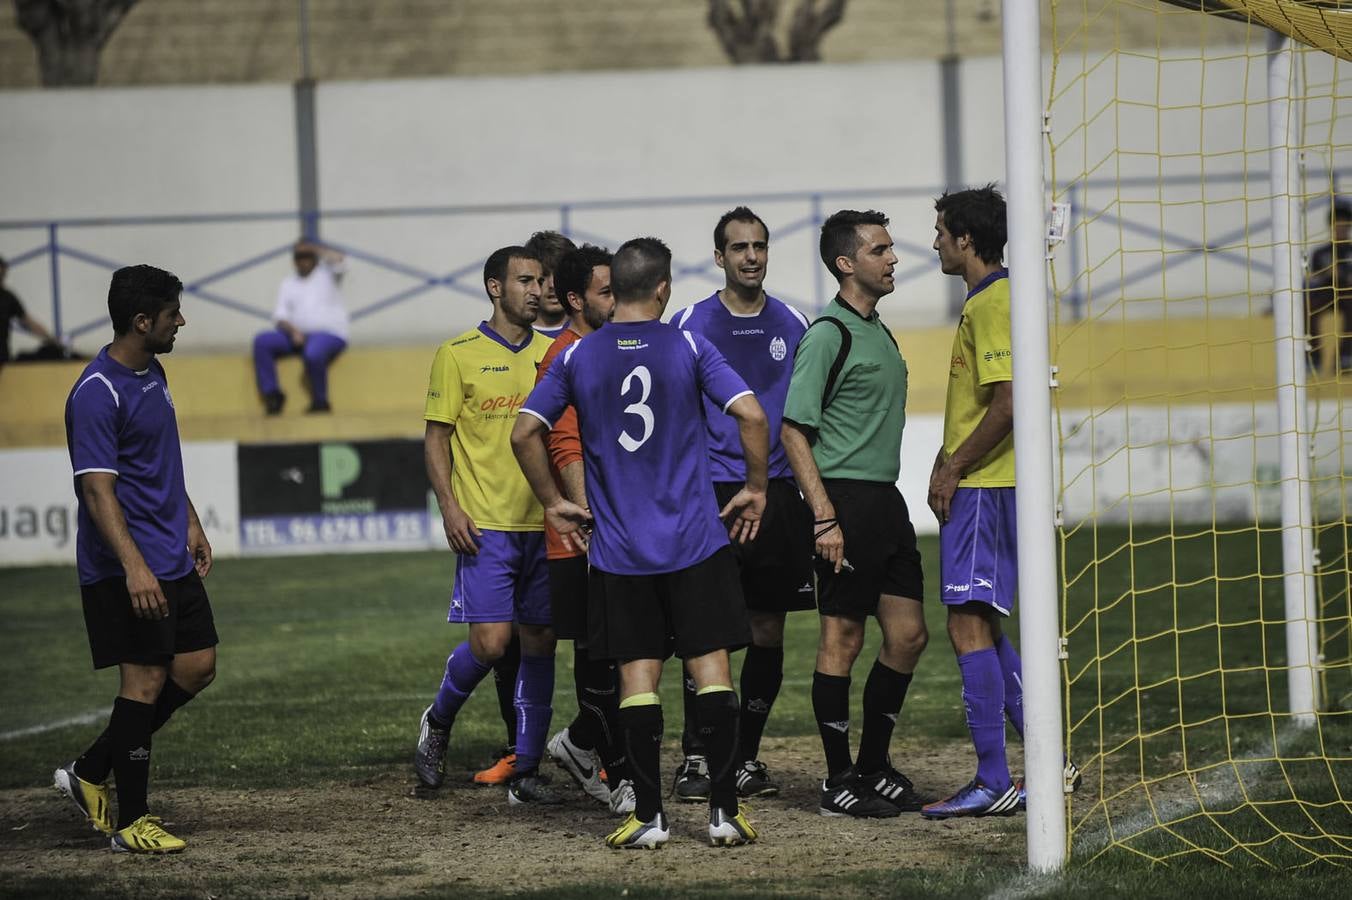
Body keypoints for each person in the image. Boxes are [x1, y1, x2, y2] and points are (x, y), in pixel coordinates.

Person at [512, 236, 769, 848]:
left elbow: (526, 433)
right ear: (662, 288)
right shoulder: (686, 342)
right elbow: (754, 416)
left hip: (621, 550)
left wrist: (555, 504)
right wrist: (756, 486)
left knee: (637, 678)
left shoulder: (576, 357)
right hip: (695, 543)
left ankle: (649, 816)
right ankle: (724, 813)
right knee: (712, 674)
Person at [921, 186, 1079, 819]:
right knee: (983, 622)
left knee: (965, 623)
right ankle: (1049, 760)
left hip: (987, 487)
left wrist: (956, 466)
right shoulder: (1001, 298)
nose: (933, 242)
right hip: (990, 482)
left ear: (965, 240)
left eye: (939, 231)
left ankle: (993, 779)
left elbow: (1008, 403)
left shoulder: (994, 302)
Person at [55, 264, 218, 854]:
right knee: (144, 681)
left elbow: (160, 464)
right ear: (142, 321)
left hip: (169, 553)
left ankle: (92, 767)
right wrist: (134, 567)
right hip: (128, 567)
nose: (182, 321)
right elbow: (97, 490)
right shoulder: (96, 394)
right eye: (173, 313)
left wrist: (191, 521)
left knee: (197, 666)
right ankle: (133, 821)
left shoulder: (154, 370)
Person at [781, 209, 929, 819]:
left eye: (891, 248)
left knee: (910, 635)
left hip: (886, 501)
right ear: (847, 263)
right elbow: (793, 430)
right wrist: (824, 517)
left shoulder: (881, 331)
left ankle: (873, 763)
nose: (893, 258)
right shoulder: (828, 333)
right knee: (842, 636)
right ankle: (837, 779)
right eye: (880, 250)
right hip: (842, 501)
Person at [670, 206, 813, 802]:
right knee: (705, 631)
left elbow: (807, 414)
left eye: (759, 246)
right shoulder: (688, 323)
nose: (750, 256)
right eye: (739, 248)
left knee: (766, 629)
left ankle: (746, 754)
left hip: (779, 493)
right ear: (719, 257)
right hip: (711, 494)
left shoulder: (797, 321)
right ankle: (697, 755)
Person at [413, 245, 561, 805]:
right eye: (524, 280)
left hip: (546, 525)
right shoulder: (457, 354)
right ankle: (439, 719)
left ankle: (526, 770)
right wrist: (450, 507)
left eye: (539, 280)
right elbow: (436, 438)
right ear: (494, 287)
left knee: (540, 642)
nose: (535, 290)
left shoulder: (555, 353)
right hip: (487, 526)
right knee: (493, 643)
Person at [470, 229, 579, 785]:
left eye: (553, 279)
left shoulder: (582, 342)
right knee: (508, 639)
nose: (545, 290)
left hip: (571, 517)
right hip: (510, 518)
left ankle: (585, 745)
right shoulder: (509, 344)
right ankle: (521, 747)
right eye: (537, 280)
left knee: (574, 636)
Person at [535, 244, 634, 814]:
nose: (617, 301)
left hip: (622, 530)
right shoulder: (566, 356)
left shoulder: (613, 346)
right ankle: (616, 772)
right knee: (602, 657)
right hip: (584, 538)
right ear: (575, 301)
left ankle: (577, 744)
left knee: (631, 651)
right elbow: (563, 441)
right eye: (606, 293)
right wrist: (586, 519)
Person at [252, 240, 349, 415]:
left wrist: (315, 247)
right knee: (262, 341)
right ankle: (273, 395)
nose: (303, 260)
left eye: (307, 255)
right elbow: (280, 316)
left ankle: (320, 401)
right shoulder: (289, 283)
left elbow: (340, 260)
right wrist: (294, 331)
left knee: (313, 353)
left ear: (314, 257)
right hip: (296, 336)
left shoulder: (327, 275)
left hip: (329, 335)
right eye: (299, 256)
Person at [1305, 198, 1352, 375]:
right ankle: (1313, 358)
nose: (1340, 228)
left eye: (1344, 224)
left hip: (1348, 294)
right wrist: (1327, 274)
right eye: (1336, 224)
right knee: (1307, 307)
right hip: (1326, 293)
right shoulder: (1321, 252)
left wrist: (1345, 276)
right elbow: (1312, 279)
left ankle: (1345, 357)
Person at [0, 255, 60, 366]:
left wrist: (50, 338)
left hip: (2, 356)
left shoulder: (8, 298)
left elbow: (28, 322)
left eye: (3, 275)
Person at [525, 230, 577, 340]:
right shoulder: (513, 337)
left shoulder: (592, 335)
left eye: (560, 274)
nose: (552, 284)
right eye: (543, 276)